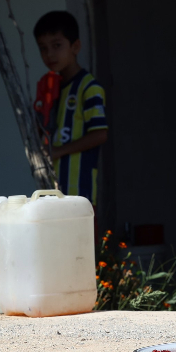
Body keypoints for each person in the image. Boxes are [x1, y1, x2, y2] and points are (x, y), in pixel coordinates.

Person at [34, 11, 108, 206]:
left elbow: (100, 134)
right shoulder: (49, 89)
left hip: (79, 192)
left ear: (75, 46)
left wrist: (59, 151)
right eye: (43, 48)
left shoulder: (89, 87)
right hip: (51, 190)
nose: (49, 54)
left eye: (57, 46)